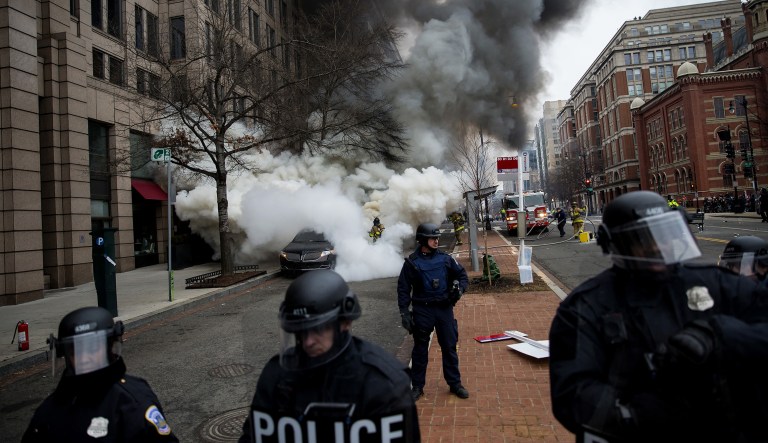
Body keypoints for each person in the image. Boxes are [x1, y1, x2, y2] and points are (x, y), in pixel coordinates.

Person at [549, 191, 768, 442]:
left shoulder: (717, 284)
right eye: (643, 238)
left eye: (665, 233)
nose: (657, 245)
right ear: (617, 244)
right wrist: (647, 410)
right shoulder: (585, 306)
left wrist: (721, 335)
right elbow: (572, 395)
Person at [239, 270, 420, 443]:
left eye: (318, 328)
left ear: (345, 322)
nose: (308, 341)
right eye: (301, 331)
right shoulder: (276, 375)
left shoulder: (384, 385)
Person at [22, 307, 178, 443]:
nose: (86, 357)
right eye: (77, 351)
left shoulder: (132, 401)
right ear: (67, 356)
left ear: (109, 348)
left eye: (93, 349)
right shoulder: (49, 411)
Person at [397, 223, 470, 401]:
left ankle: (455, 384)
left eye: (437, 238)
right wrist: (404, 312)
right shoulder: (412, 263)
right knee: (420, 351)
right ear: (422, 239)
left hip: (444, 309)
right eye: (433, 238)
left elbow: (462, 276)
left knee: (449, 347)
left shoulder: (446, 259)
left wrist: (459, 290)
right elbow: (403, 289)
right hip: (423, 310)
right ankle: (417, 387)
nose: (436, 241)